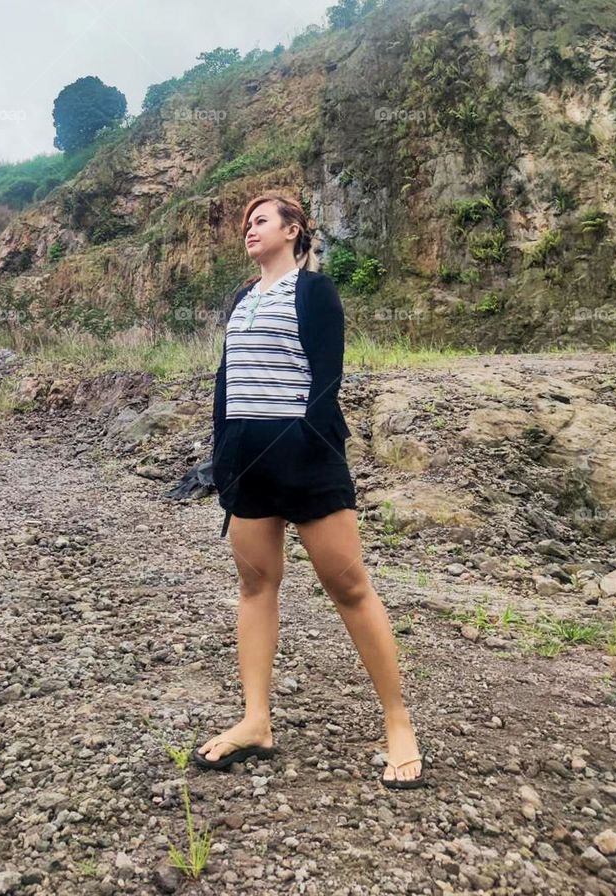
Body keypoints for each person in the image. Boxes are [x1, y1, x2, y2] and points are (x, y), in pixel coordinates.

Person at [193, 193, 427, 789]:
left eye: (262, 220)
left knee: (348, 586)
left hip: (305, 458)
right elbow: (228, 380)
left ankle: (397, 723)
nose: (250, 228)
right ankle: (256, 721)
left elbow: (327, 380)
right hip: (246, 462)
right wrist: (220, 456)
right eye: (247, 223)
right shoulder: (243, 299)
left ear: (294, 230)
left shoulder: (314, 292)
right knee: (254, 584)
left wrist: (305, 445)